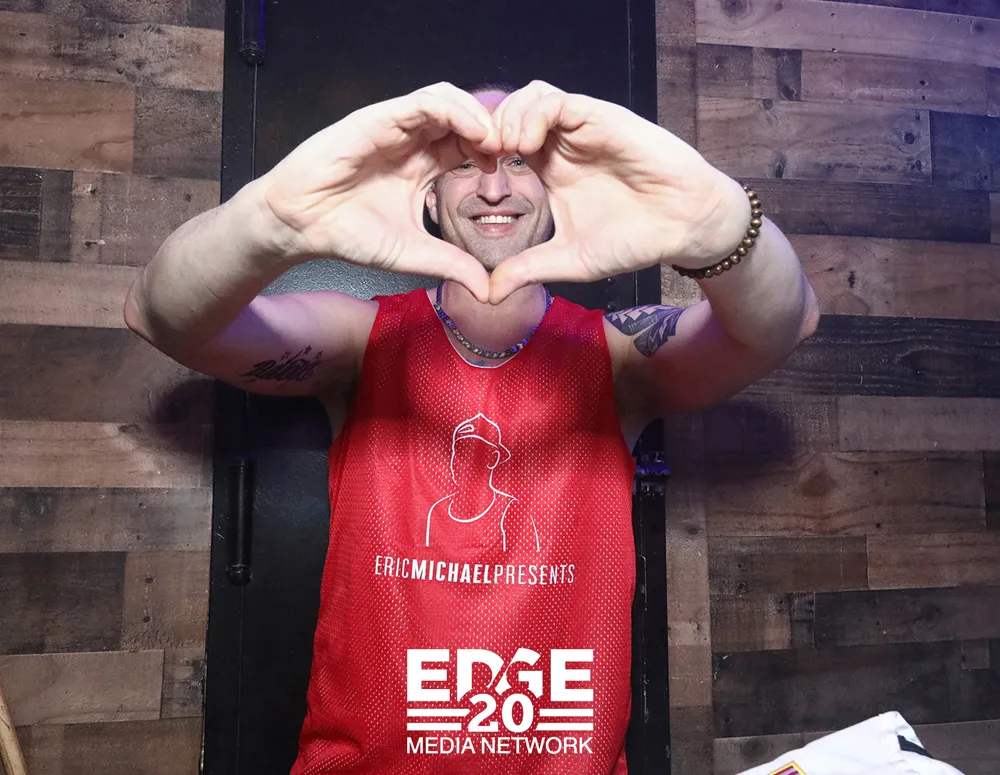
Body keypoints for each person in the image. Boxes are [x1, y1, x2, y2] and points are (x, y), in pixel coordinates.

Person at [125, 80, 819, 774]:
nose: (494, 187)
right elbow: (163, 316)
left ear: (555, 194)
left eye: (520, 162)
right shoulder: (363, 340)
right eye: (464, 164)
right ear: (428, 197)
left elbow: (779, 327)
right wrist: (270, 222)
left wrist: (716, 221)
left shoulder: (616, 357)